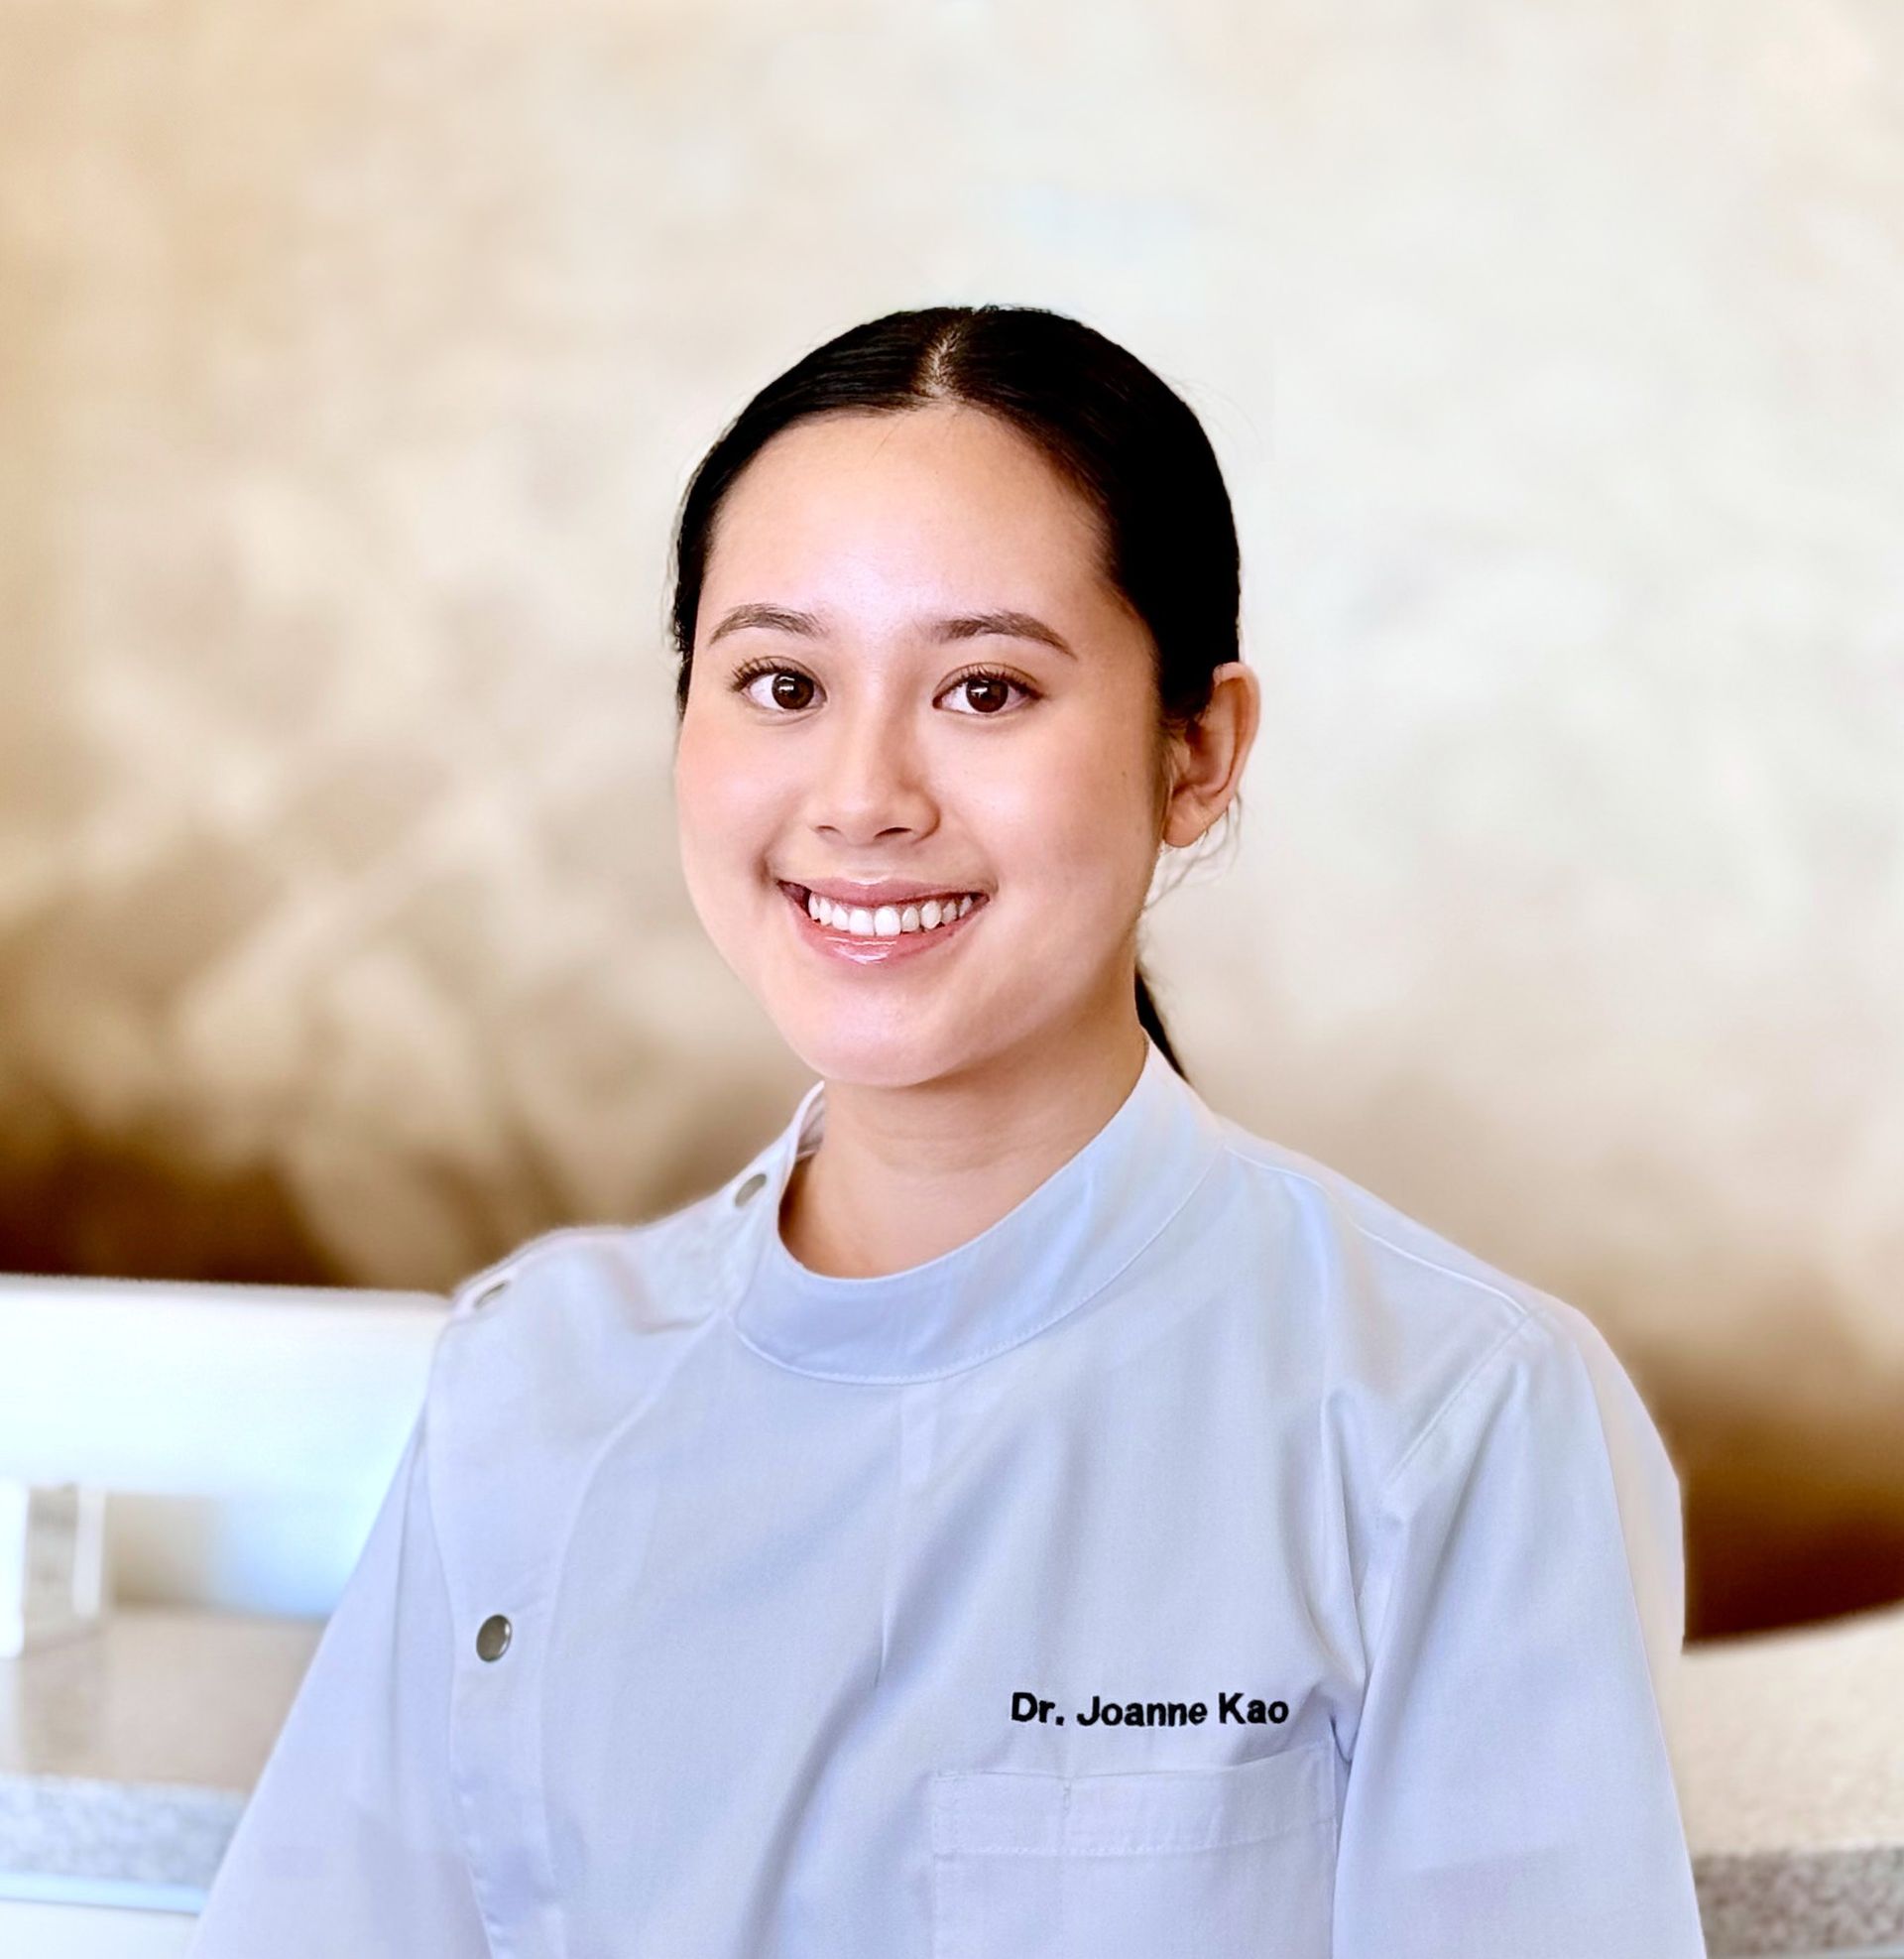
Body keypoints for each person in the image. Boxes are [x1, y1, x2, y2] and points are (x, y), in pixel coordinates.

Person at [187, 304, 1709, 1957]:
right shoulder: (530, 1378)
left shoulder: (1454, 1414)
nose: (862, 798)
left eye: (986, 690)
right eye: (781, 683)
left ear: (1198, 751)